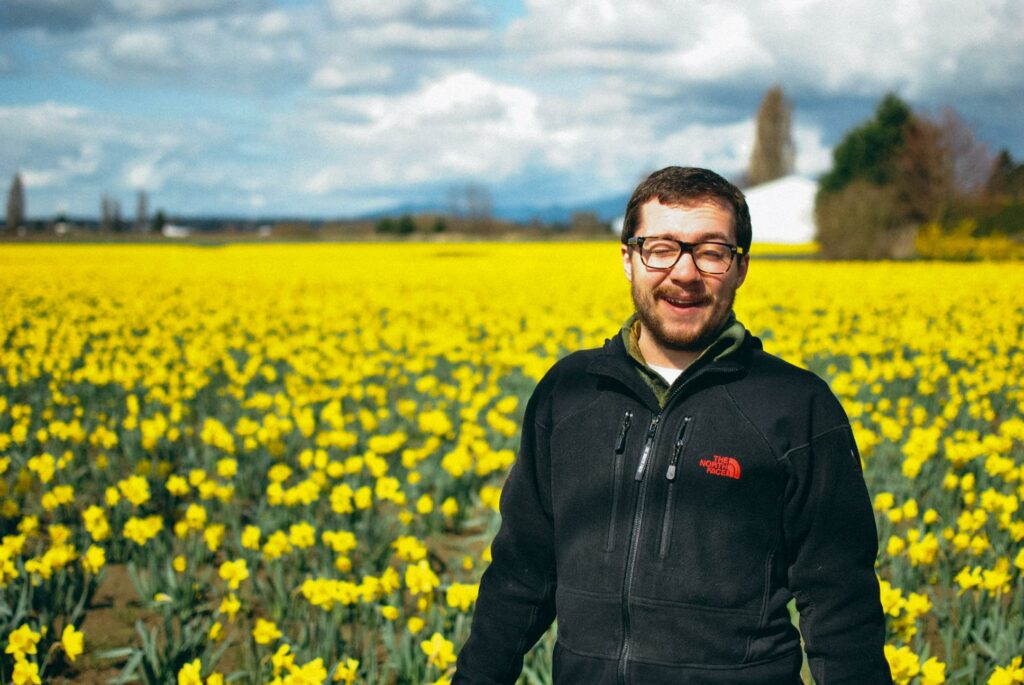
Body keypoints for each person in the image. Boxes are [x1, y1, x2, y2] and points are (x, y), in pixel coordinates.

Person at [453, 166, 891, 684]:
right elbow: (520, 575)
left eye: (711, 252)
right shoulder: (569, 393)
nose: (684, 273)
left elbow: (840, 603)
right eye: (661, 248)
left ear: (741, 267)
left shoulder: (796, 406)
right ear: (628, 259)